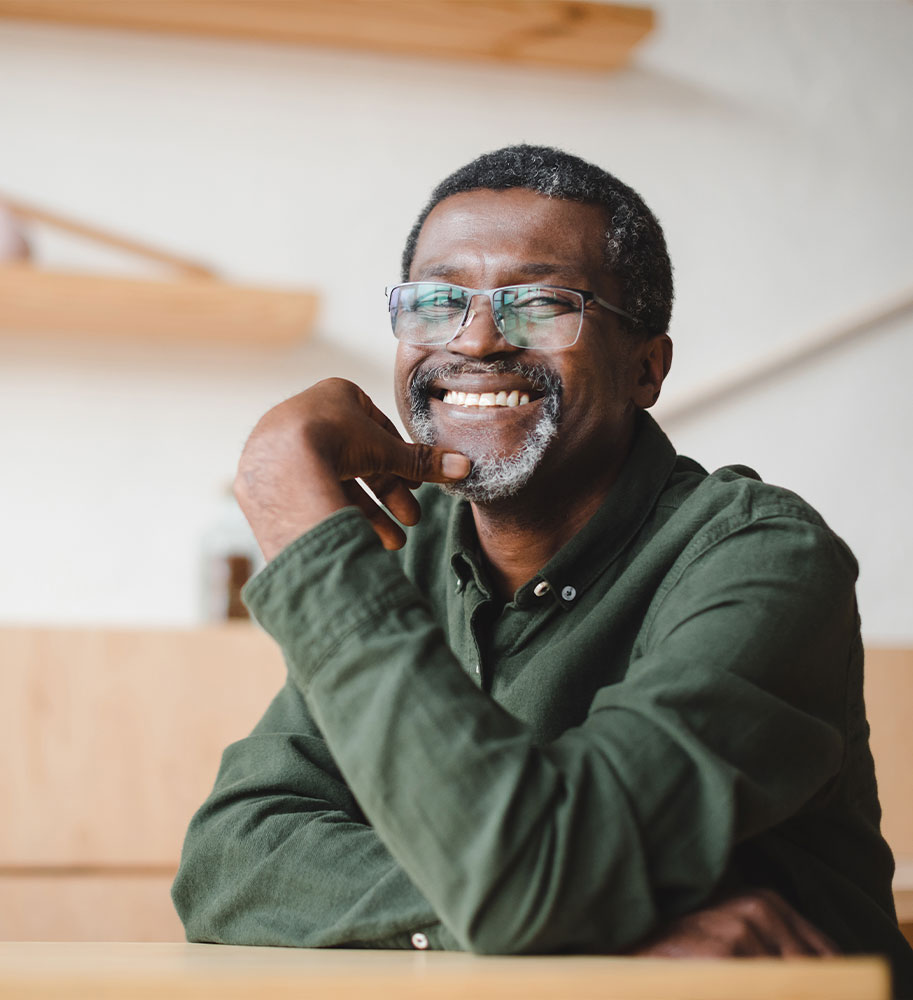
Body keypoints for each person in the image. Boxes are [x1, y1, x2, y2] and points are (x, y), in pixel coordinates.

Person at [172, 145, 913, 992]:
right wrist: (564, 924)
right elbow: (230, 862)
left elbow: (533, 876)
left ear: (646, 368)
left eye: (538, 303)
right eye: (438, 301)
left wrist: (296, 511)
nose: (477, 339)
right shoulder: (408, 553)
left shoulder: (762, 557)